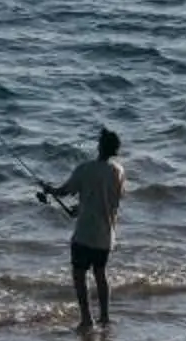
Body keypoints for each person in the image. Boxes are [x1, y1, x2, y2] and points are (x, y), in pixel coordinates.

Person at [39, 128, 125, 329]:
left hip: (85, 234)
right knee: (100, 274)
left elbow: (63, 191)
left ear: (99, 146)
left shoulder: (85, 169)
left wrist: (47, 188)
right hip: (106, 234)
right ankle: (104, 316)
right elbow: (110, 201)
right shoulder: (119, 172)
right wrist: (81, 207)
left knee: (79, 275)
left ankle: (87, 319)